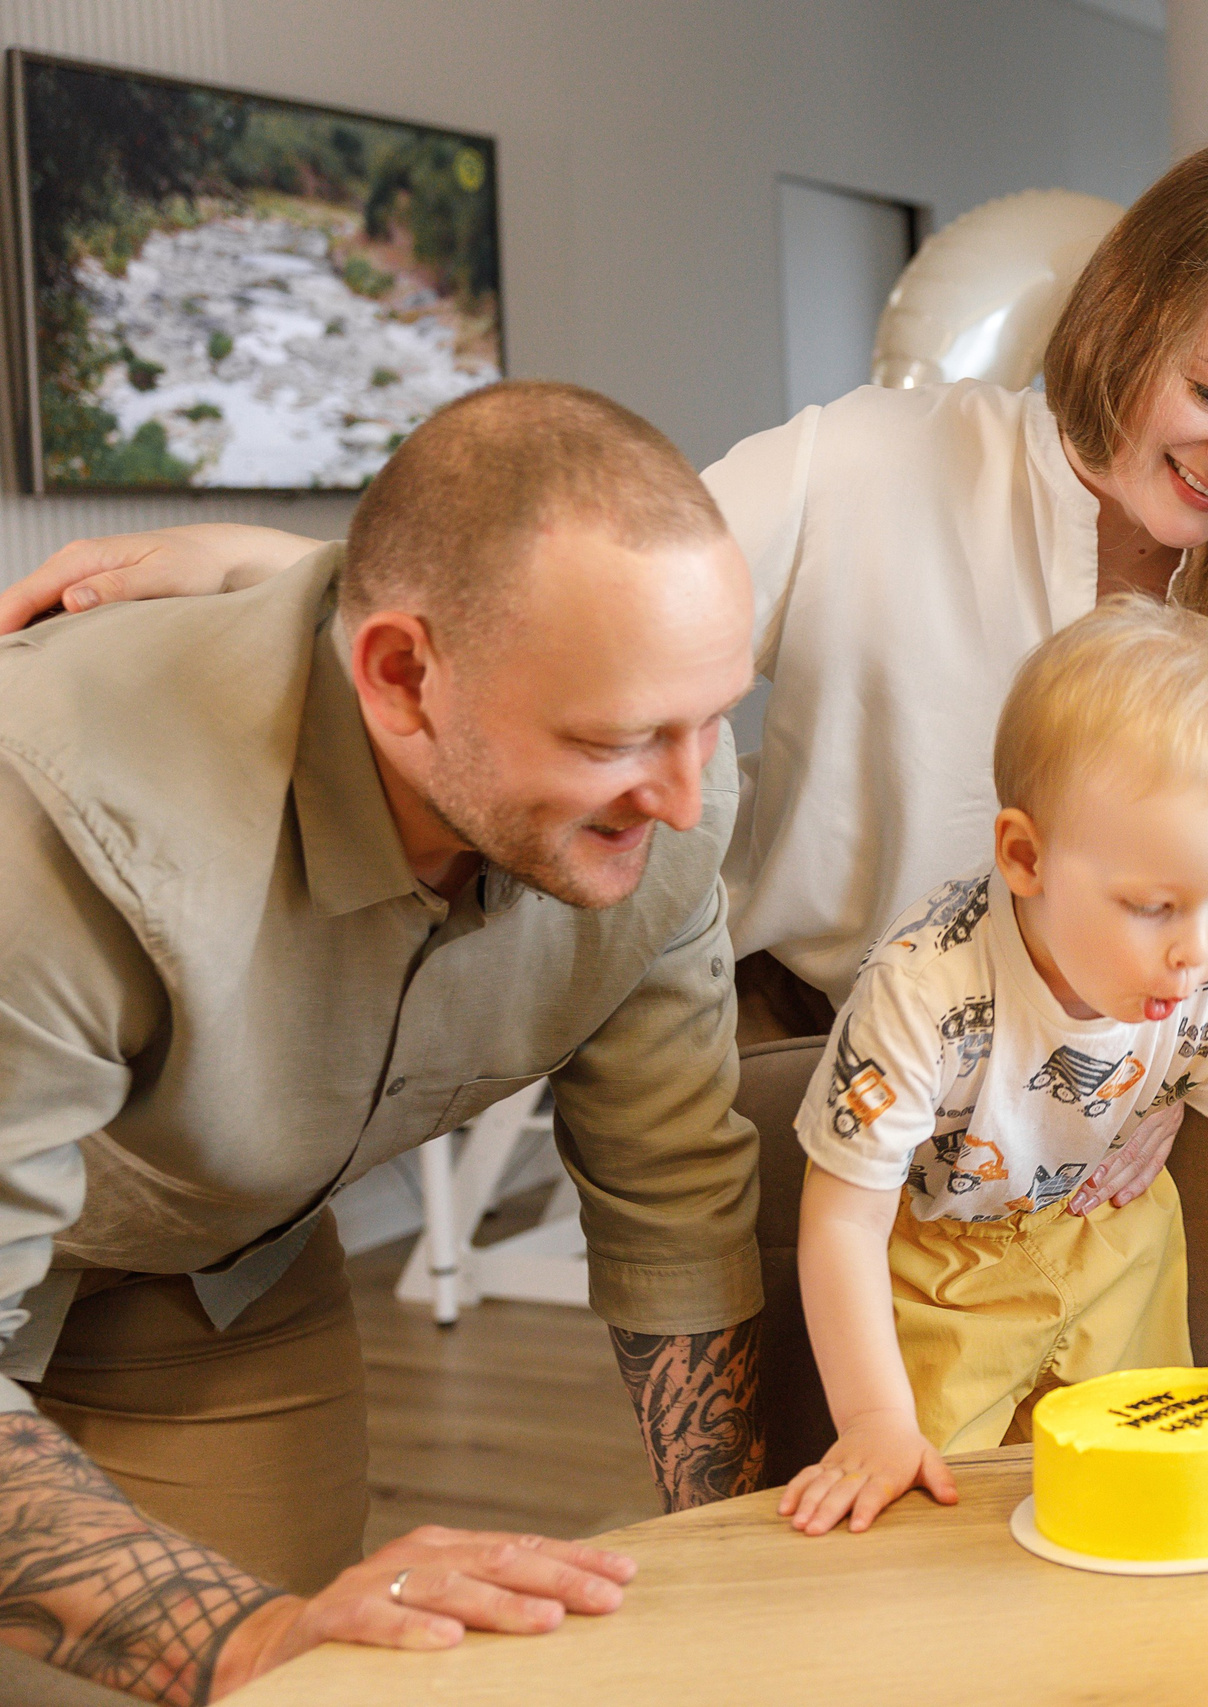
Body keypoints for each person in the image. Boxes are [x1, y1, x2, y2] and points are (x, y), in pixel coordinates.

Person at [0, 130, 1208, 1224]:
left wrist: (1160, 1078)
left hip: (1096, 1125)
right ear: (1127, 312)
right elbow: (574, 592)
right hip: (809, 1069)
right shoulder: (877, 458)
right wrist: (266, 559)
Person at [0, 382, 770, 1701]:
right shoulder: (59, 813)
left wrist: (756, 1590)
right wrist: (244, 1631)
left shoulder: (665, 801)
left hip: (214, 1260)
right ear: (402, 679)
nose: (686, 793)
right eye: (617, 738)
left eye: (709, 719)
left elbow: (676, 1195)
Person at [776, 599, 1208, 1535]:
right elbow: (844, 1216)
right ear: (1026, 857)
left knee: (1140, 1498)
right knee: (942, 1527)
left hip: (1114, 1244)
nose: (1198, 950)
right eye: (1155, 906)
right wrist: (874, 1420)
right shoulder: (920, 993)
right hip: (943, 1273)